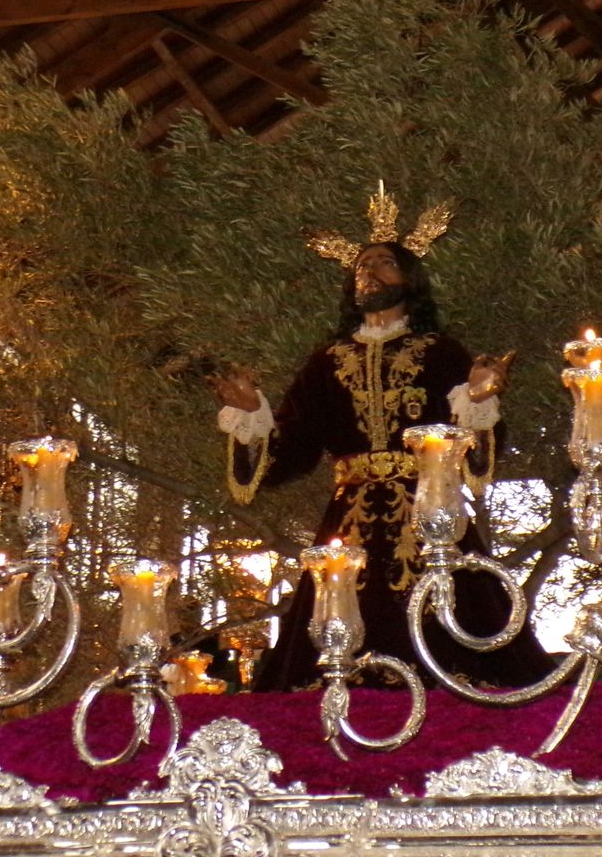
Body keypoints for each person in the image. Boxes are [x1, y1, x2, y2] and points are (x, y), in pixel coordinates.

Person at [213, 238, 552, 691]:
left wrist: (475, 399)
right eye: (362, 264)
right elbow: (293, 449)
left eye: (385, 263)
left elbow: (473, 453)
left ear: (409, 280)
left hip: (429, 512)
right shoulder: (327, 362)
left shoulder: (441, 352)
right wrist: (254, 413)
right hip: (348, 520)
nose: (370, 271)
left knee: (457, 631)